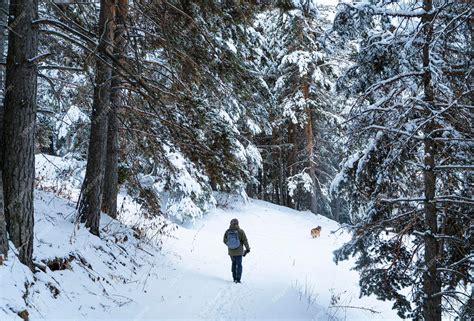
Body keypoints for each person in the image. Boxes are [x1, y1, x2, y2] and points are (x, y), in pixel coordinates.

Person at [223, 218, 250, 283]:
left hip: (231, 252)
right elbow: (245, 240)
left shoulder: (227, 231)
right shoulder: (241, 231)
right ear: (238, 223)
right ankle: (238, 279)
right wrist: (247, 248)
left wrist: (230, 245)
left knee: (233, 264)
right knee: (239, 265)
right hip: (239, 252)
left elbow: (224, 240)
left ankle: (234, 278)